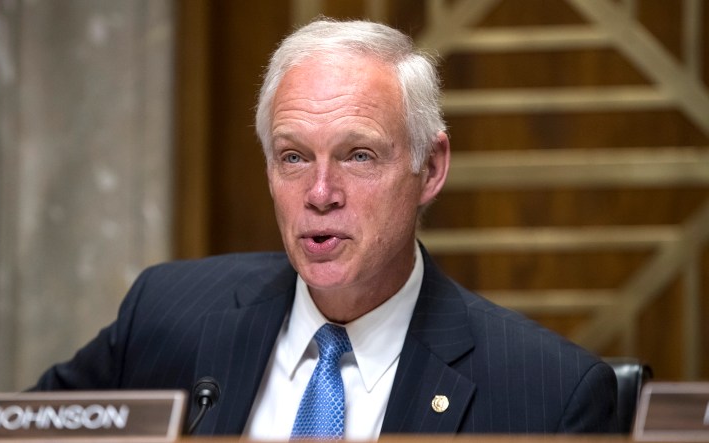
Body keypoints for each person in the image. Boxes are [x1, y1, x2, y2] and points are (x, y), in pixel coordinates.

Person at [32, 17, 619, 438]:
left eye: (358, 156)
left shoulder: (547, 395)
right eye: (293, 157)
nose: (319, 194)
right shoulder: (166, 314)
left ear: (431, 168)